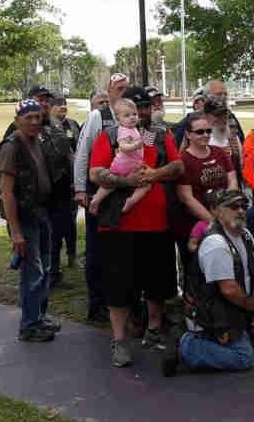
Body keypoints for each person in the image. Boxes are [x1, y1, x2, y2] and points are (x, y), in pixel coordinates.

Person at [89, 86, 183, 367]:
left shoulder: (162, 134)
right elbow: (95, 173)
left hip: (156, 222)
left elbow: (178, 167)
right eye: (134, 108)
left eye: (145, 107)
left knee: (157, 284)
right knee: (118, 287)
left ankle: (153, 331)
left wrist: (155, 173)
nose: (140, 113)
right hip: (119, 224)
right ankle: (119, 340)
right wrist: (126, 182)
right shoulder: (110, 135)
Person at [163, 189, 254, 376]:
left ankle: (239, 333)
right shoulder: (215, 243)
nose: (241, 211)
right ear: (217, 211)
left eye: (244, 206)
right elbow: (228, 290)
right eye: (233, 207)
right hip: (211, 311)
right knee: (243, 357)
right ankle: (186, 345)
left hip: (236, 302)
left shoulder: (246, 235)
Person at [0, 99, 59, 342]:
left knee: (44, 269)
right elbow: (7, 192)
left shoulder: (39, 140)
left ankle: (39, 318)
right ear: (17, 121)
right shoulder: (11, 147)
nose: (34, 121)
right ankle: (30, 325)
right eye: (28, 118)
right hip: (24, 219)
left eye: (37, 116)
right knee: (32, 273)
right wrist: (15, 232)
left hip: (41, 213)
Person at [74, 72, 129, 322]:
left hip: (124, 193)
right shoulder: (99, 116)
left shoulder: (131, 116)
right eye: (118, 88)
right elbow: (82, 153)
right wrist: (81, 189)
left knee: (120, 250)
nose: (122, 92)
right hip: (98, 191)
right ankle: (96, 304)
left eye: (126, 88)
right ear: (109, 91)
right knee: (97, 249)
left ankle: (120, 300)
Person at [177, 112, 238, 272]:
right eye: (199, 132)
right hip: (197, 222)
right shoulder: (183, 160)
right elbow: (186, 198)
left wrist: (227, 208)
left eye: (208, 131)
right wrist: (213, 220)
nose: (205, 135)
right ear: (188, 134)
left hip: (225, 215)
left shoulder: (219, 152)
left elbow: (232, 179)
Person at [88, 100, 151, 217]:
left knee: (110, 186)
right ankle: (131, 201)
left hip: (131, 163)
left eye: (134, 114)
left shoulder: (133, 129)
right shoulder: (123, 130)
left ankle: (97, 199)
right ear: (118, 119)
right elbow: (123, 147)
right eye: (127, 115)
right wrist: (136, 145)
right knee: (146, 184)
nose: (132, 118)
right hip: (125, 164)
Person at [47, 97, 78, 282]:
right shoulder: (43, 127)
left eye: (65, 105)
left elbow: (77, 152)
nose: (63, 109)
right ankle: (52, 271)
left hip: (69, 187)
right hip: (51, 190)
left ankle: (70, 257)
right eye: (59, 106)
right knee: (53, 232)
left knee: (68, 225)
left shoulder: (72, 125)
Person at [174, 80, 245, 146]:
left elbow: (242, 143)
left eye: (225, 94)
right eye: (219, 94)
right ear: (205, 98)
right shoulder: (190, 121)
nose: (223, 97)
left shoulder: (231, 118)